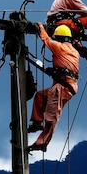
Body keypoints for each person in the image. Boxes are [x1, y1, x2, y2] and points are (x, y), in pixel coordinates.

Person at [27, 23, 80, 152]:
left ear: (59, 38)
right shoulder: (74, 50)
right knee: (40, 96)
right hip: (66, 85)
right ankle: (36, 123)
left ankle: (42, 142)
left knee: (51, 117)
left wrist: (40, 28)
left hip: (62, 88)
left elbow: (46, 40)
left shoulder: (59, 47)